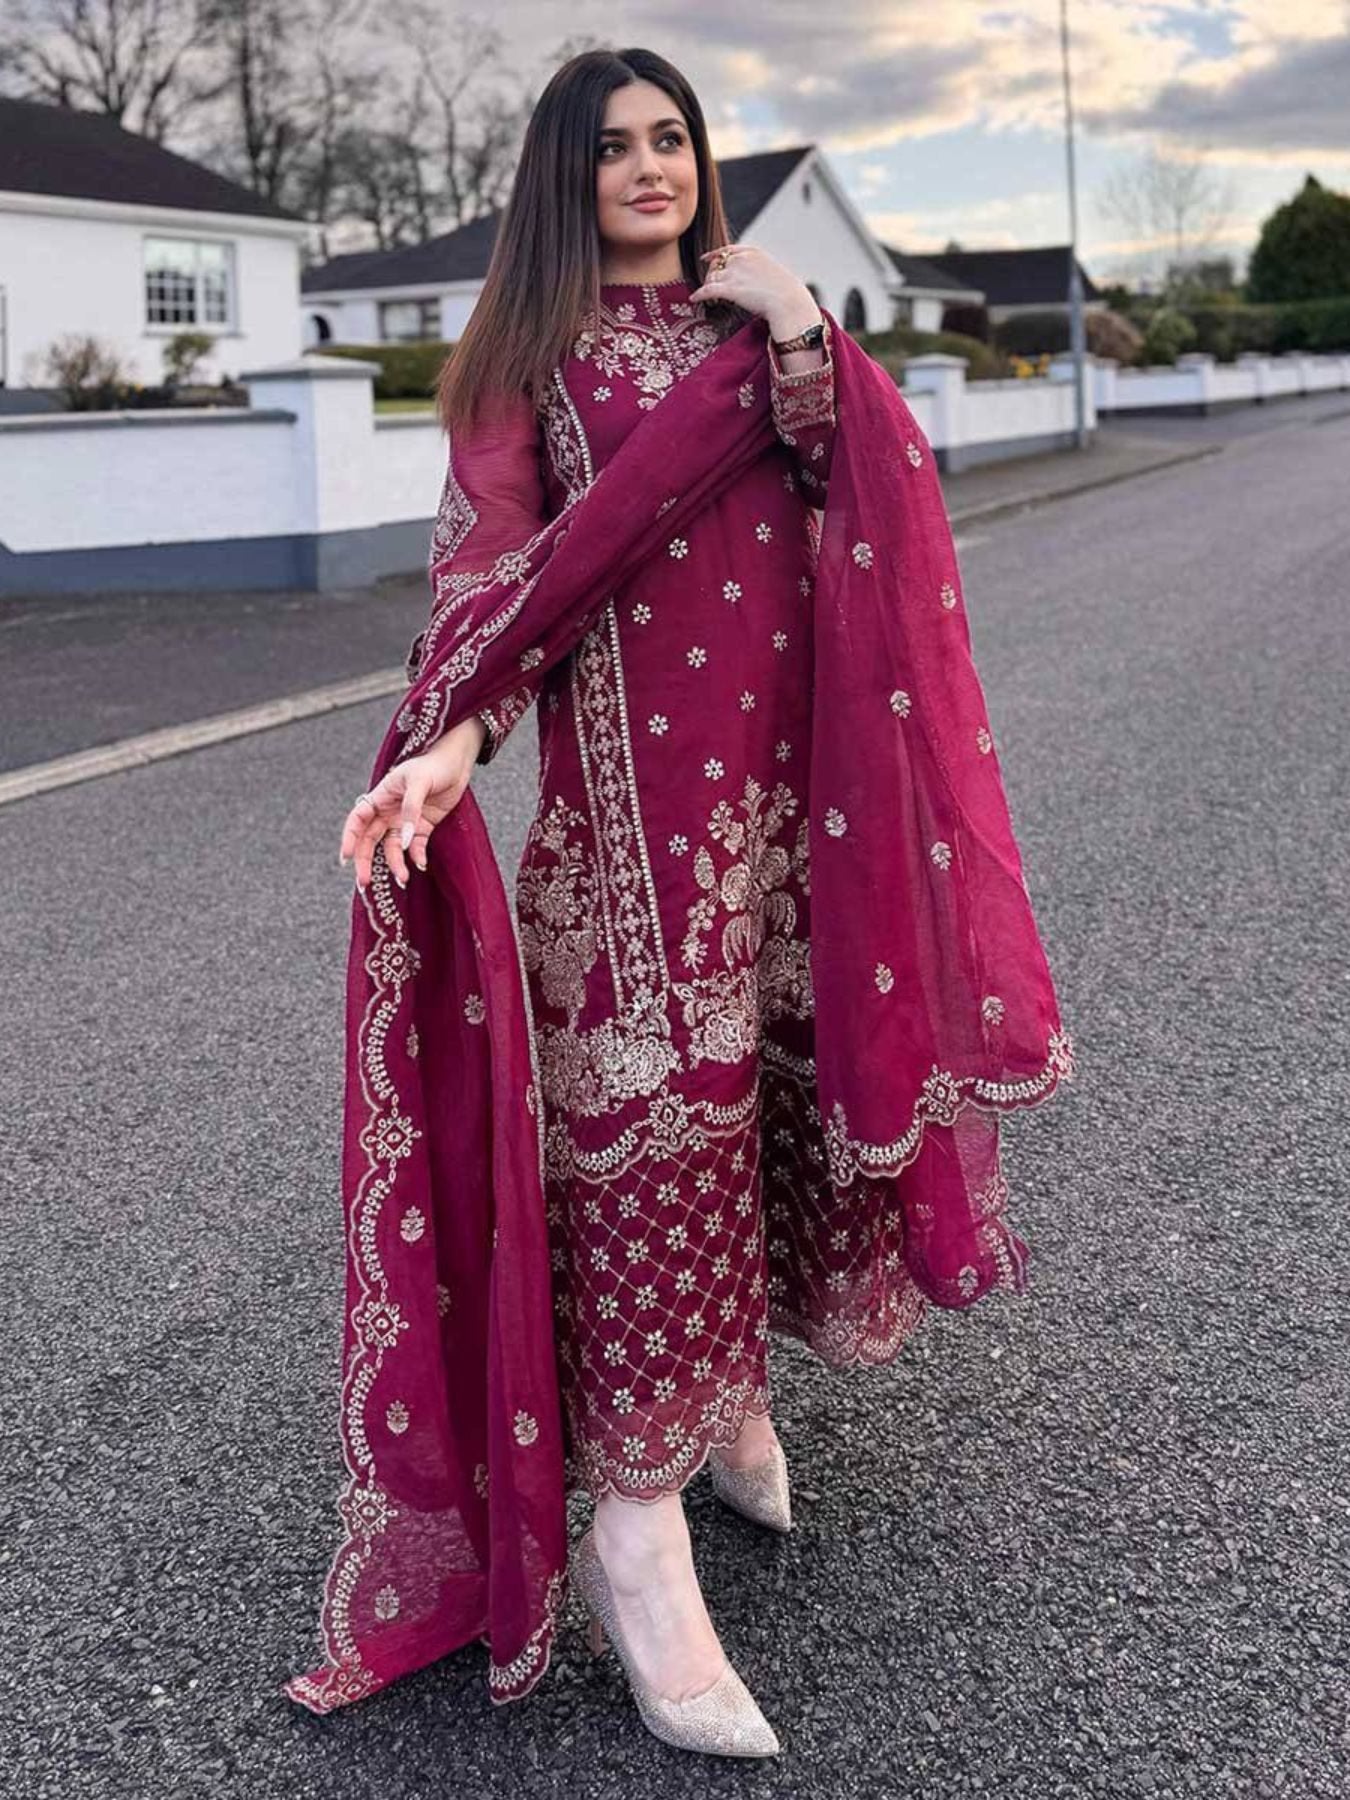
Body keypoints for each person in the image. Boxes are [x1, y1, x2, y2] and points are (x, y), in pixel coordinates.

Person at [285, 46, 1074, 1759]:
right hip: (633, 852)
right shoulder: (519, 366)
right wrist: (446, 747)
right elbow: (504, 580)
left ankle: (729, 1408)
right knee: (657, 1136)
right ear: (560, 176)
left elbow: (869, 491)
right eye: (611, 148)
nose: (646, 169)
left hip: (804, 811)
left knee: (772, 1109)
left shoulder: (755, 332)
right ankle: (634, 1539)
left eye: (670, 141)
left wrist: (803, 331)